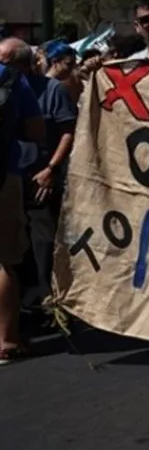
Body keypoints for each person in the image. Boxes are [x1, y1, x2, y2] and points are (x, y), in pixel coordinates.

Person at [0, 39, 74, 314]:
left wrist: (51, 169)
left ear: (21, 64)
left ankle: (47, 301)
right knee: (14, 252)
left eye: (4, 63)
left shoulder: (52, 89)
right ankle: (16, 306)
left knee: (42, 243)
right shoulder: (9, 85)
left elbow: (68, 131)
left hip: (39, 177)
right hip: (10, 176)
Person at [0, 46, 44, 365]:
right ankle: (7, 340)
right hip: (4, 175)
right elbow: (36, 130)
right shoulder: (14, 80)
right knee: (4, 261)